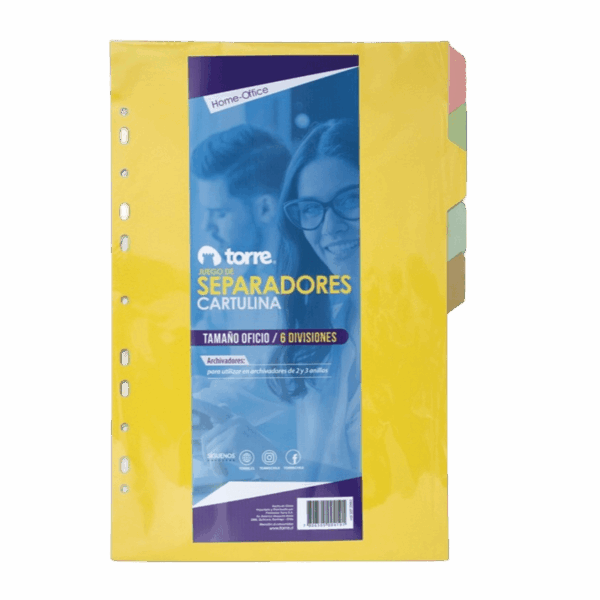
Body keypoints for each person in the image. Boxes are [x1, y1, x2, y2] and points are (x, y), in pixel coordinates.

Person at [270, 119, 361, 480]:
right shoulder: (331, 319)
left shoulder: (426, 326)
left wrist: (271, 466)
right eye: (310, 209)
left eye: (351, 200)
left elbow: (394, 491)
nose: (329, 227)